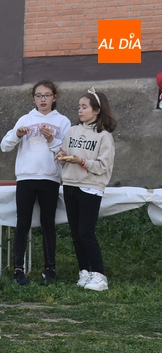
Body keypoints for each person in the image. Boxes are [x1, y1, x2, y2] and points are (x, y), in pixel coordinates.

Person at [0, 80, 71, 286]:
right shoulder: (25, 119)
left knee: (48, 223)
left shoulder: (63, 121)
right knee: (23, 223)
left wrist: (51, 140)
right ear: (33, 98)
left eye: (47, 95)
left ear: (54, 97)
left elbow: (66, 153)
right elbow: (5, 146)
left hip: (50, 177)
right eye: (39, 96)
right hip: (26, 177)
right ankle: (18, 269)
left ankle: (50, 269)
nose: (43, 99)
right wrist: (17, 134)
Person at [56, 88, 117, 292]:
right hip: (70, 185)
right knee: (75, 233)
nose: (80, 110)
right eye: (79, 107)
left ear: (97, 110)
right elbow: (66, 156)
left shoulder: (104, 136)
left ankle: (99, 275)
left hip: (91, 187)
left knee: (86, 232)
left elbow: (103, 166)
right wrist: (62, 156)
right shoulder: (72, 131)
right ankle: (84, 271)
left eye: (84, 107)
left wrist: (82, 161)